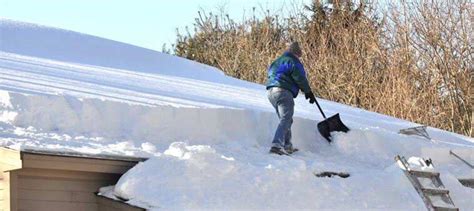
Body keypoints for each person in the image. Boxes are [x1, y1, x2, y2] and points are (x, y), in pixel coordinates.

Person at [266, 41, 316, 155]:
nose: (299, 57)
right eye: (299, 55)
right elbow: (300, 77)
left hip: (271, 92)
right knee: (285, 119)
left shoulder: (277, 61)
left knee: (286, 119)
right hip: (283, 91)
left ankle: (287, 146)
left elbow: (272, 75)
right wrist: (308, 92)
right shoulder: (293, 61)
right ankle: (276, 146)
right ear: (296, 53)